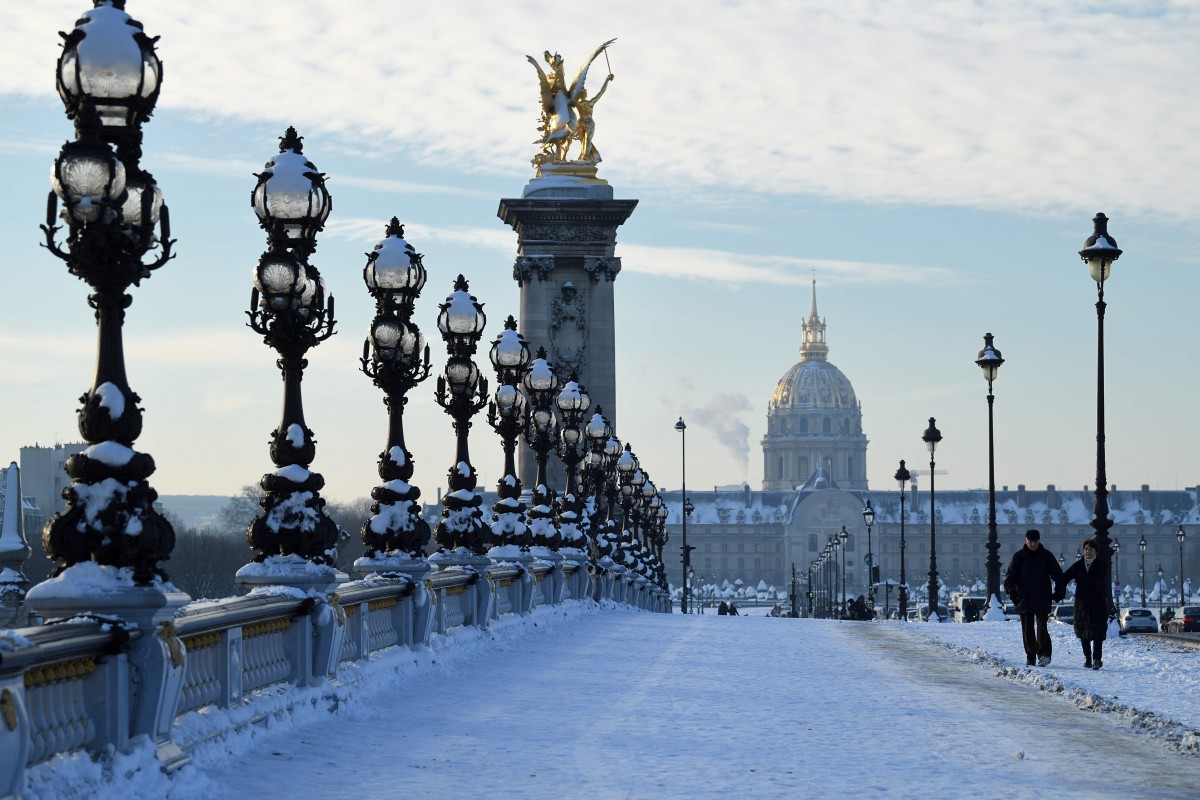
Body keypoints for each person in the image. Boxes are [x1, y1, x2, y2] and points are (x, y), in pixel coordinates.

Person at [1003, 529, 1064, 667]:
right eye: (1030, 541)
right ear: (1026, 540)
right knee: (1027, 629)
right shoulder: (1018, 557)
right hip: (1024, 597)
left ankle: (1044, 655)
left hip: (1042, 596)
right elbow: (1010, 577)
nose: (1033, 544)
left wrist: (1059, 592)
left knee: (1042, 627)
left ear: (1039, 541)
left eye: (1035, 541)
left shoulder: (1046, 556)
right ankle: (1031, 655)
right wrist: (1012, 592)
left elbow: (1058, 575)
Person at [1061, 538, 1117, 670]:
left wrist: (1080, 578)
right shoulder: (1078, 565)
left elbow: (1097, 581)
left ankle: (1097, 659)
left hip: (1097, 603)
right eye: (1086, 549)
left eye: (1091, 549)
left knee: (1097, 632)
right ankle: (1087, 657)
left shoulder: (1102, 565)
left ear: (1096, 552)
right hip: (1082, 603)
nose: (1088, 551)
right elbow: (1065, 577)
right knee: (1083, 632)